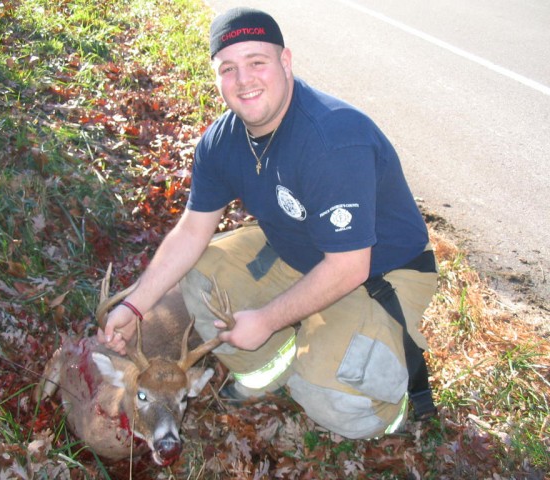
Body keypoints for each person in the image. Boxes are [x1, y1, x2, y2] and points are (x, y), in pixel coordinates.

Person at [98, 7, 438, 439]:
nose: (244, 80)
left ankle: (390, 408)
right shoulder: (222, 141)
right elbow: (191, 230)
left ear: (286, 62)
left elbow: (350, 265)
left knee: (333, 399)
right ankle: (267, 375)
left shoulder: (333, 140)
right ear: (216, 76)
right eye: (228, 68)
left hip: (378, 270)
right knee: (200, 276)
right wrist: (134, 305)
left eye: (257, 62)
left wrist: (267, 318)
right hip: (296, 246)